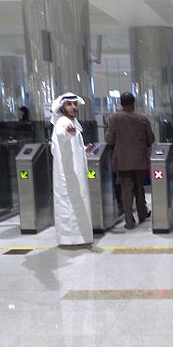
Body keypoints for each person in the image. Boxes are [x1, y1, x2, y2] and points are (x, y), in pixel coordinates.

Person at [106, 92, 155, 229]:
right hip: (139, 159)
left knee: (126, 190)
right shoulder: (143, 119)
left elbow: (110, 140)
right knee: (140, 187)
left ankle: (129, 221)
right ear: (134, 103)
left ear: (121, 104)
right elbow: (151, 139)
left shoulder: (113, 119)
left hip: (122, 160)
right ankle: (142, 213)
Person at [50, 92, 94, 245]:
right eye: (69, 104)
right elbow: (62, 136)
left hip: (75, 172)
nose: (74, 107)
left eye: (75, 104)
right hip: (68, 173)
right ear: (62, 107)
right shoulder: (63, 122)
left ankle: (79, 237)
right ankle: (71, 239)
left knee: (77, 202)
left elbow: (71, 145)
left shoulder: (71, 121)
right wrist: (68, 132)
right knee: (69, 204)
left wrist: (84, 148)